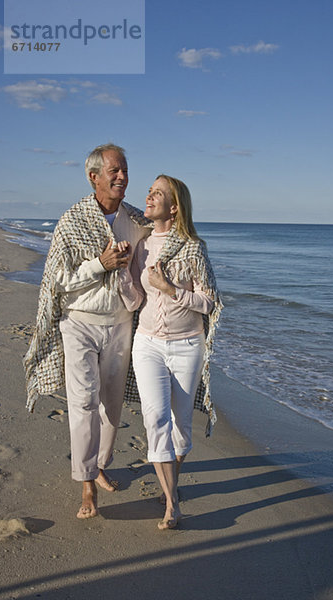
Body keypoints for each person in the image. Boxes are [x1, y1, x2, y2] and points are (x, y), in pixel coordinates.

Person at [24, 143, 151, 519]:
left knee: (112, 406)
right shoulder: (72, 220)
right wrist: (100, 264)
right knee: (82, 403)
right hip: (79, 323)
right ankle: (85, 485)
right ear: (93, 176)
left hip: (120, 324)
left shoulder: (135, 220)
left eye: (125, 170)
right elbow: (57, 280)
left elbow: (167, 240)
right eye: (114, 171)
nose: (122, 177)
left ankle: (99, 466)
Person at [119, 174, 222, 530]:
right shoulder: (143, 245)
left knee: (181, 430)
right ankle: (172, 503)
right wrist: (122, 276)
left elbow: (209, 303)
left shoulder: (194, 247)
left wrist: (171, 288)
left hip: (186, 346)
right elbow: (135, 299)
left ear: (174, 207)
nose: (149, 197)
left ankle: (169, 486)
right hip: (147, 343)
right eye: (149, 192)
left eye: (158, 194)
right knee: (155, 419)